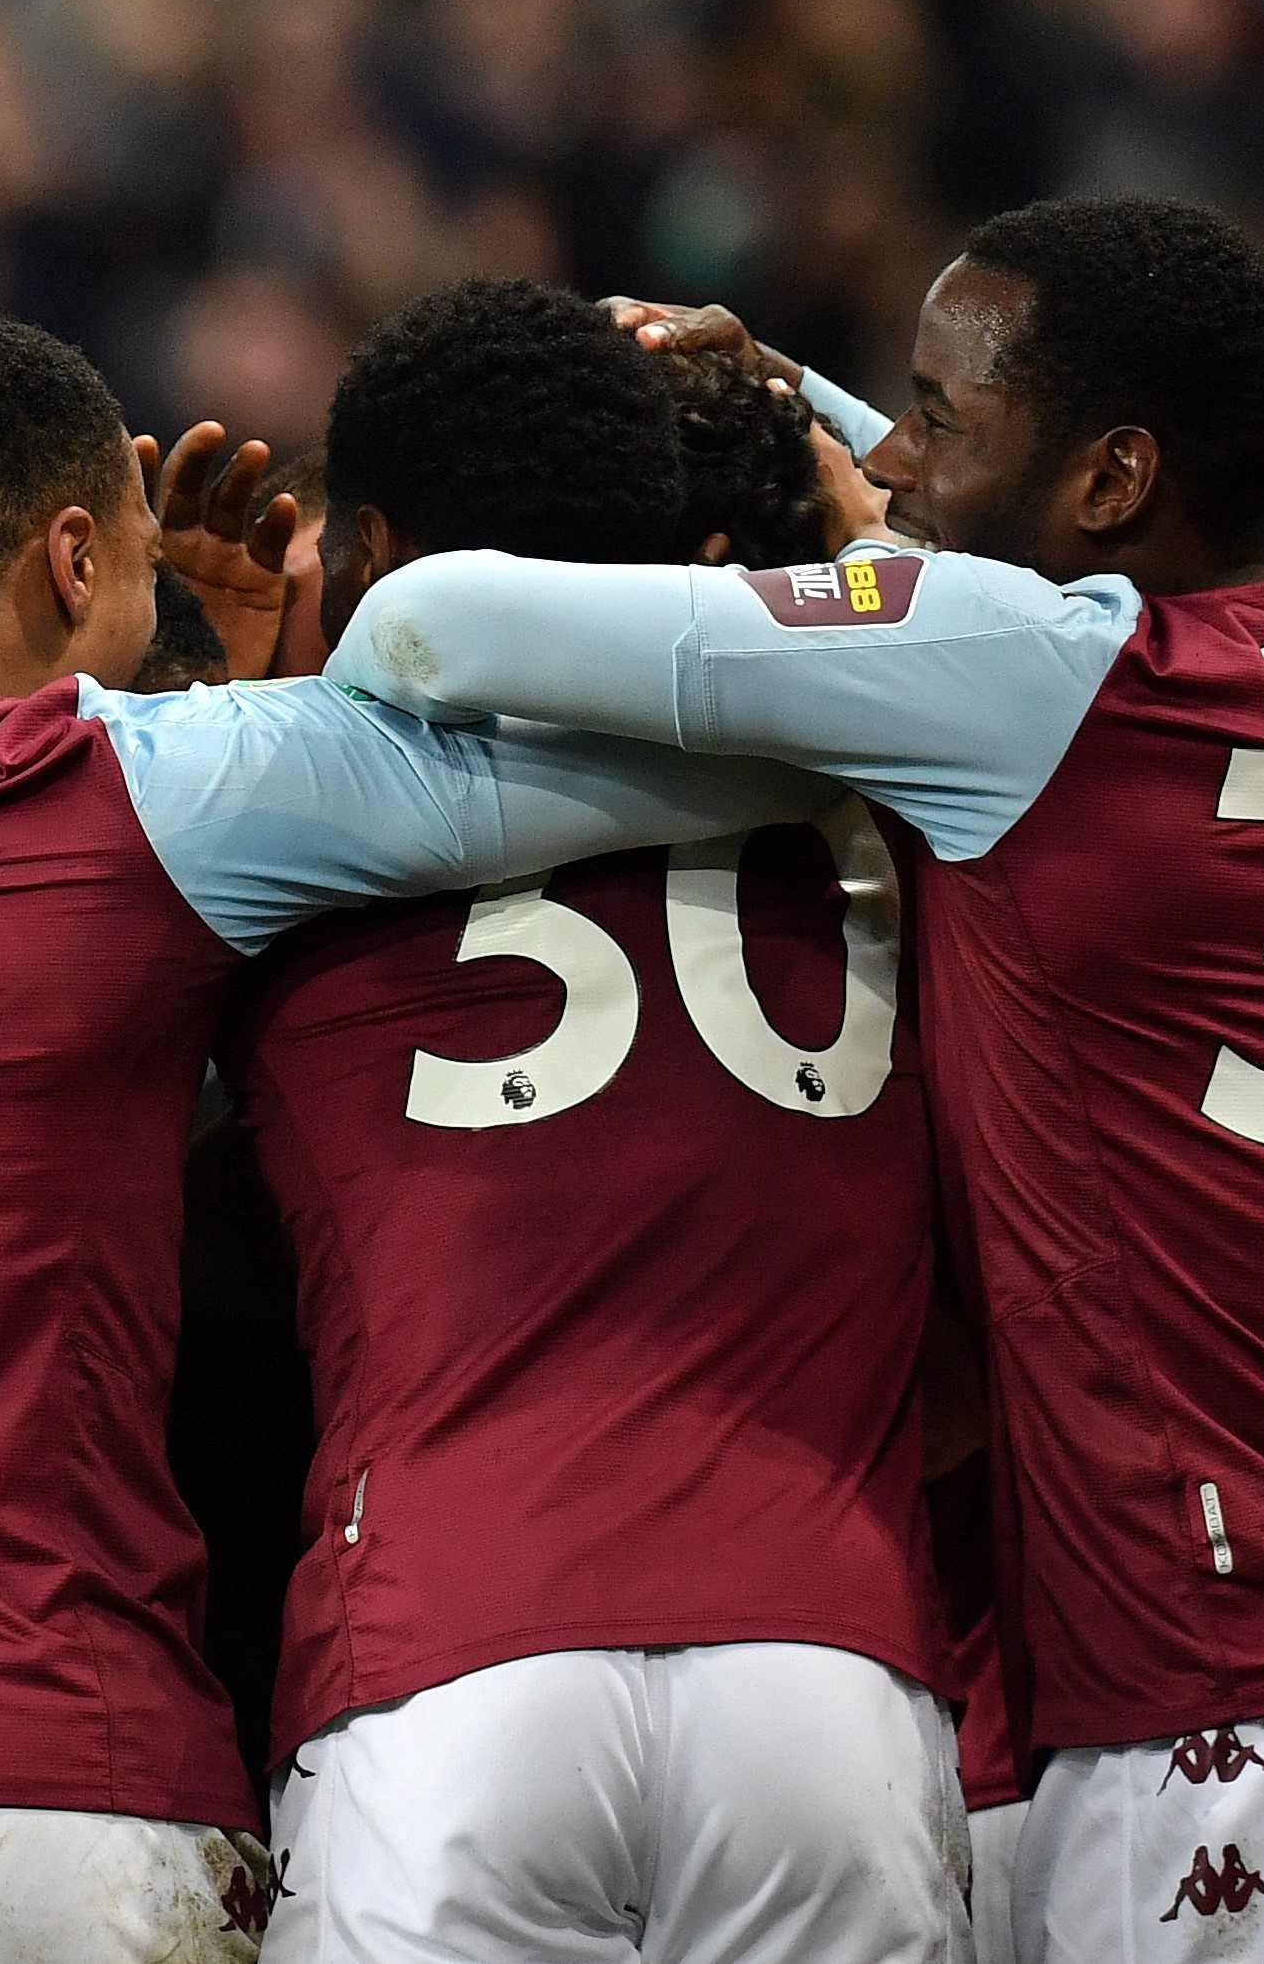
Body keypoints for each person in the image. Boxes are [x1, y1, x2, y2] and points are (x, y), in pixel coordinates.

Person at [337, 198, 1264, 1963]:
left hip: (1260, 1714)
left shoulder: (1032, 680)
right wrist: (799, 393)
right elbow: (1015, 562)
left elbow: (432, 622)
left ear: (1112, 476)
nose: (896, 460)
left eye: (939, 417)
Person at [0, 310, 825, 1964]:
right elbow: (700, 762)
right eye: (138, 565)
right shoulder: (147, 784)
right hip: (49, 1771)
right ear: (73, 558)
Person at [225, 287, 963, 1958]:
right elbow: (1033, 614)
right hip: (829, 1671)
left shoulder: (258, 810)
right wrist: (828, 431)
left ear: (372, 544)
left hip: (451, 1653)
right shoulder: (904, 794)